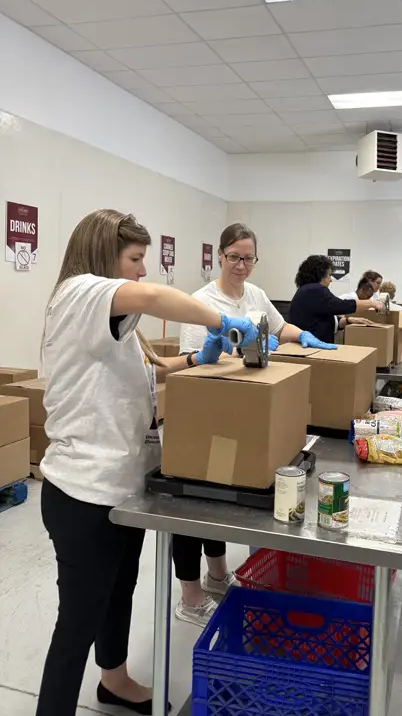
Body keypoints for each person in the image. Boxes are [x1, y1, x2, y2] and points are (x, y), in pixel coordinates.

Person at [36, 210, 257, 716]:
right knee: (77, 623)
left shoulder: (109, 318)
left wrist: (198, 360)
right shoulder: (80, 293)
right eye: (135, 259)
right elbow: (156, 296)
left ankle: (114, 681)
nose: (141, 270)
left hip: (121, 486)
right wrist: (220, 319)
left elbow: (145, 372)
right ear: (103, 256)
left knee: (119, 593)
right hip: (83, 492)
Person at [176, 225, 338, 627]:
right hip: (207, 415)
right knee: (192, 505)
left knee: (219, 502)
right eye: (234, 256)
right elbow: (189, 365)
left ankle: (217, 576)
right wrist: (226, 354)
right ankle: (190, 597)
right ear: (220, 255)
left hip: (244, 414)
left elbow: (280, 328)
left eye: (248, 258)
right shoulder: (201, 301)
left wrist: (304, 336)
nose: (241, 265)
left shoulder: (256, 295)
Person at [289, 255, 384, 345]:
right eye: (329, 275)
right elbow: (341, 305)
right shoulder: (315, 290)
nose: (331, 279)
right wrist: (372, 303)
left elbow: (324, 318)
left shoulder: (307, 290)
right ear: (321, 275)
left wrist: (349, 320)